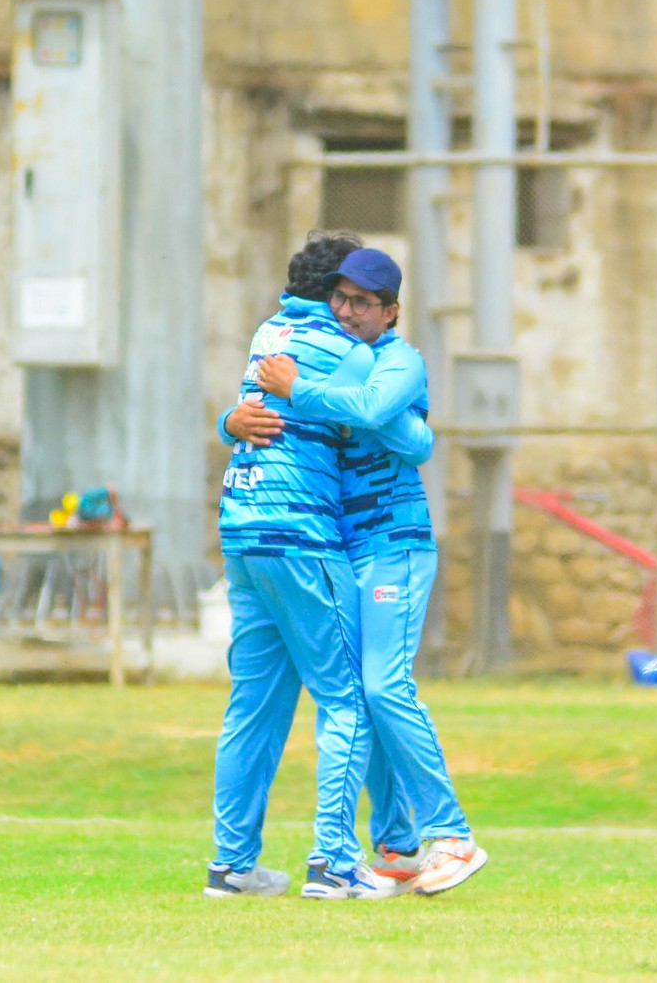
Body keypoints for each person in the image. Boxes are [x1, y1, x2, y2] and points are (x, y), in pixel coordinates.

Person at [233, 247, 488, 896]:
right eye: (341, 298)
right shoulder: (336, 355)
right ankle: (398, 845)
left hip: (394, 542)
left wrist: (302, 391)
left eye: (363, 303)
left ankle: (453, 834)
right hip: (344, 544)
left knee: (382, 686)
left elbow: (396, 426)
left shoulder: (399, 359)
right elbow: (271, 414)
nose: (348, 311)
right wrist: (231, 420)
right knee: (363, 693)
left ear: (391, 311)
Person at [206, 232, 429, 901]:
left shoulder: (265, 334)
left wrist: (228, 422)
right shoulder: (351, 352)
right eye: (345, 295)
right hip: (302, 535)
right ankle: (334, 860)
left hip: (241, 529)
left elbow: (254, 410)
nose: (348, 308)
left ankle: (231, 865)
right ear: (334, 294)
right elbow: (408, 435)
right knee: (350, 699)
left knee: (252, 708)